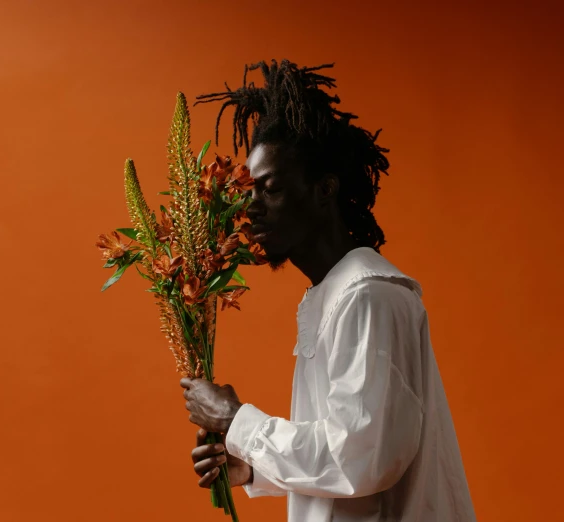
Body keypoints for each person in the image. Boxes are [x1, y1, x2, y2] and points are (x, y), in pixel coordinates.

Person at [179, 59, 476, 521]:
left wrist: (238, 421)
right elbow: (352, 448)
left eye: (269, 189)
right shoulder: (334, 294)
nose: (249, 208)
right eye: (247, 191)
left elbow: (362, 456)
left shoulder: (367, 296)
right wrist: (253, 468)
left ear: (324, 189)